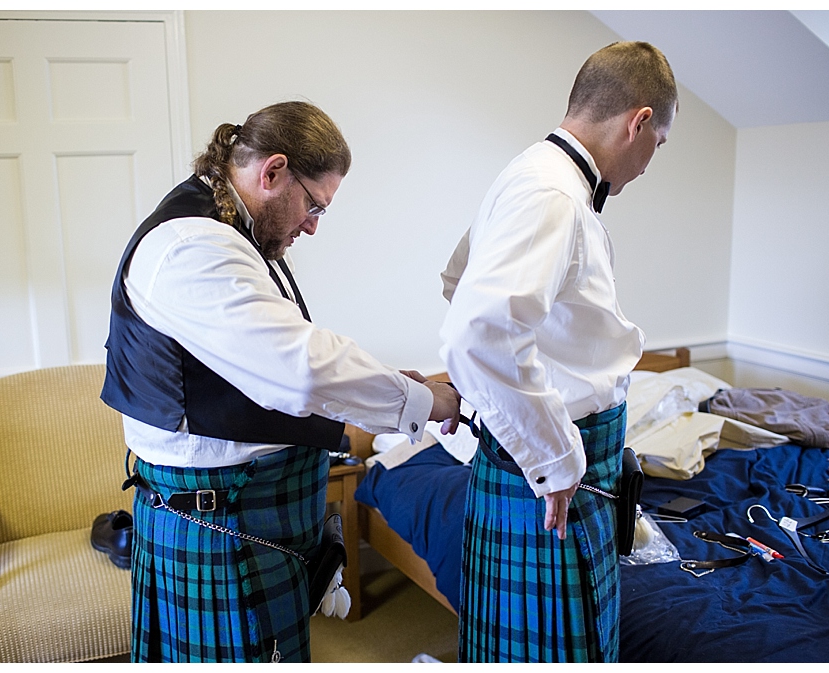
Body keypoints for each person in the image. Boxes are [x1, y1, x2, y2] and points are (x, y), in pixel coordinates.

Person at [100, 100, 460, 663]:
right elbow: (301, 366)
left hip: (247, 513)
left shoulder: (236, 231)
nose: (314, 225)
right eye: (314, 205)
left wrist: (392, 384)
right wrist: (422, 399)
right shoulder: (191, 247)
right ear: (272, 172)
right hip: (217, 522)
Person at [438, 42, 677, 662]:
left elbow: (456, 280)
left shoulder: (528, 172)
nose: (652, 163)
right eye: (661, 144)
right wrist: (554, 457)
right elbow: (476, 332)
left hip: (557, 457)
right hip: (558, 471)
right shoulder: (554, 195)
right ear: (640, 122)